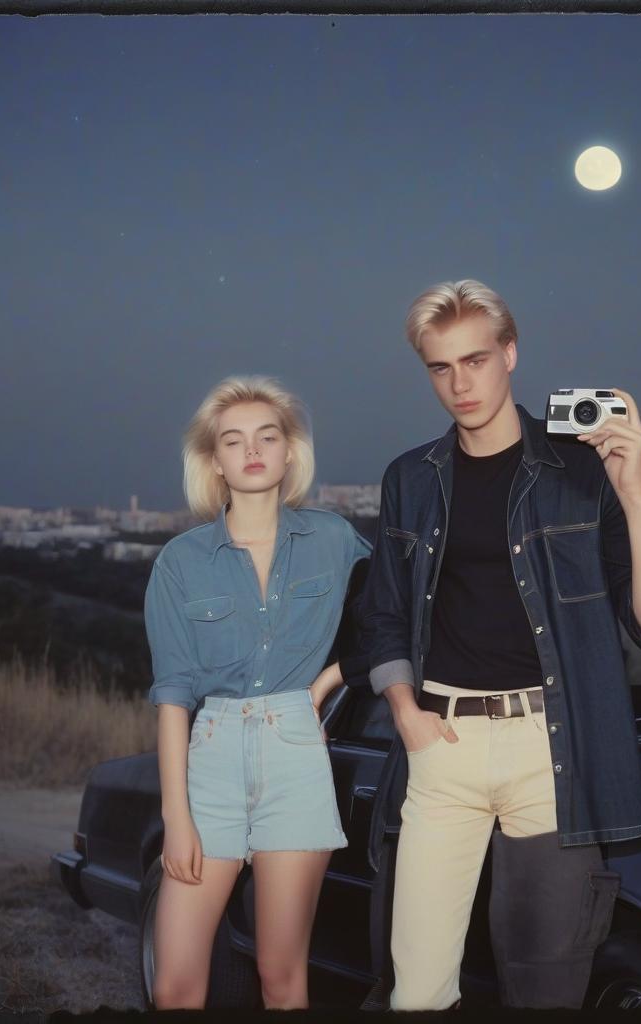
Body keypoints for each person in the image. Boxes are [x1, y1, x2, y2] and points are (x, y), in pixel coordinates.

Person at [362, 280, 641, 1010]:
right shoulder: (409, 480)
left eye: (476, 360)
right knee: (415, 993)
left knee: (544, 987)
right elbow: (384, 614)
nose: (460, 383)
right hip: (442, 743)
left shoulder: (580, 472)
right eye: (441, 367)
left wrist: (635, 495)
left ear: (510, 354)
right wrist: (405, 711)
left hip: (552, 751)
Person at [144, 375, 370, 1010]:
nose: (251, 451)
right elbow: (172, 696)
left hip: (296, 757)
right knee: (176, 985)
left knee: (282, 976)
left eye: (267, 436)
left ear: (290, 451)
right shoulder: (181, 561)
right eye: (234, 440)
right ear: (213, 460)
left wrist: (328, 682)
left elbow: (393, 618)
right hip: (208, 763)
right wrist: (176, 818)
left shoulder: (333, 541)